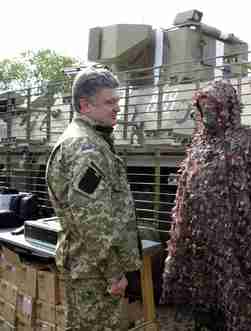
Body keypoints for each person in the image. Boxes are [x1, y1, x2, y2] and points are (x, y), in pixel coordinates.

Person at [160, 80, 251, 331]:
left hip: (234, 243)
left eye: (213, 109)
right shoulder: (198, 145)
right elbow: (183, 194)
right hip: (198, 243)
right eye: (203, 110)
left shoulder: (249, 142)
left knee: (237, 306)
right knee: (205, 306)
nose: (207, 116)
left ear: (228, 108)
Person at [46, 68, 142, 331]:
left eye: (117, 102)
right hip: (93, 270)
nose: (117, 109)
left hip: (88, 265)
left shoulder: (89, 140)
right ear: (85, 105)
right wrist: (114, 273)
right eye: (110, 102)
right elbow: (92, 220)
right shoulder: (86, 148)